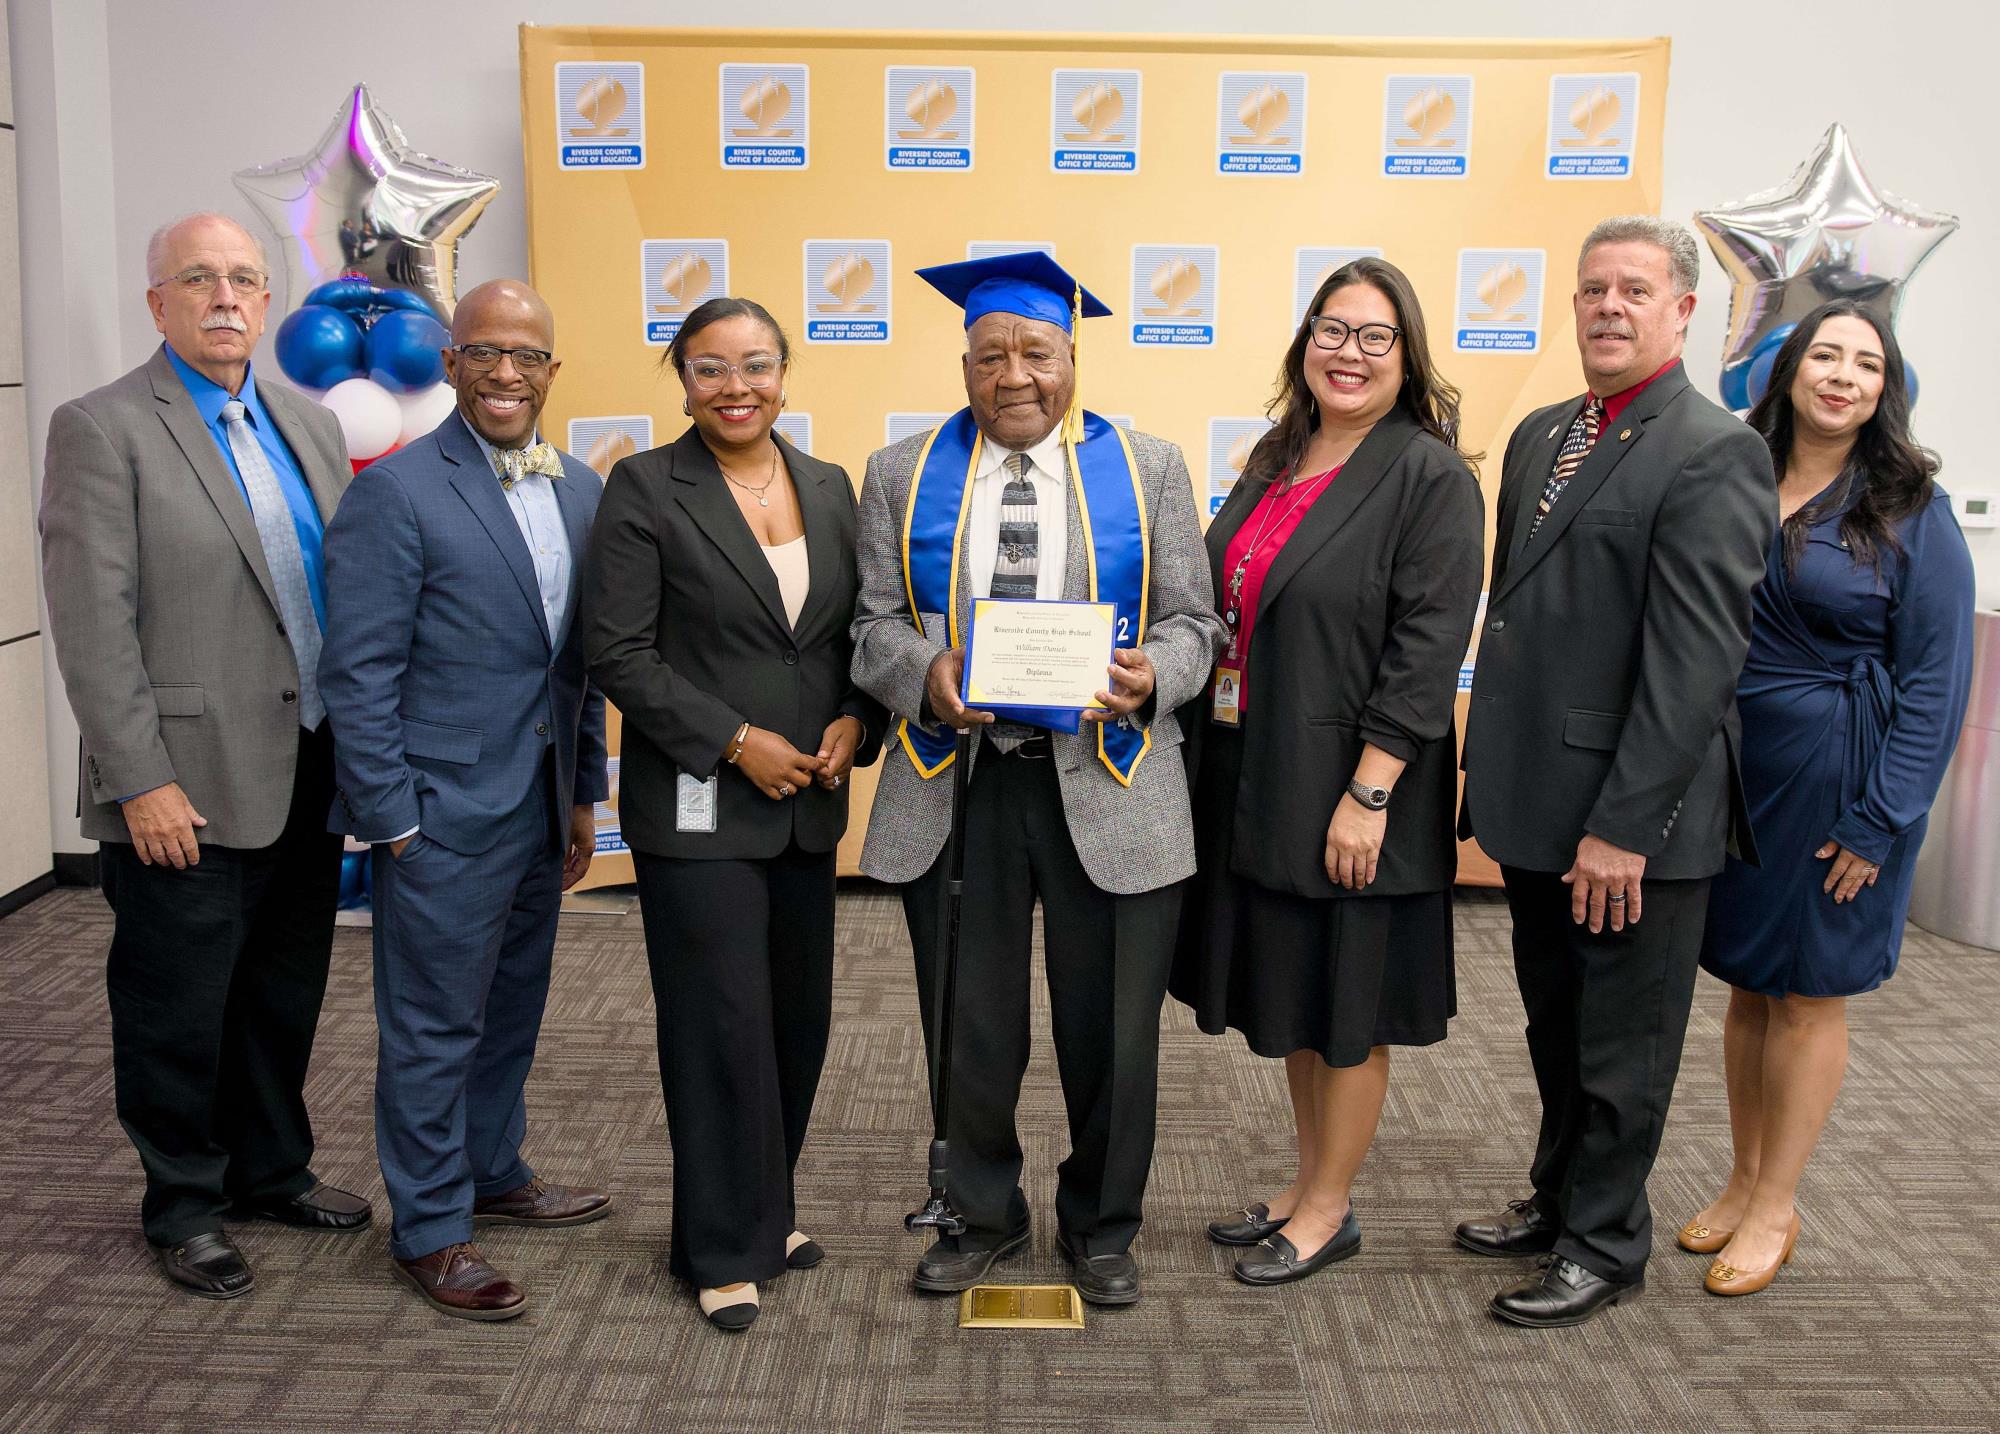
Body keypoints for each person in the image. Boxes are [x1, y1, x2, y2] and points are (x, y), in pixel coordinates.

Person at [851, 251, 1226, 1307]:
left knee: (1109, 1027)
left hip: (1108, 780)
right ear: (962, 362)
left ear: (1073, 355)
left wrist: (1154, 674)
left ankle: (1102, 1225)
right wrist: (920, 674)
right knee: (967, 1021)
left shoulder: (1146, 468)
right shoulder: (900, 473)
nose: (1013, 375)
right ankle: (979, 1214)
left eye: (1036, 352)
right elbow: (869, 622)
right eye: (989, 356)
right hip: (960, 783)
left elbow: (1195, 620)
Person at [38, 213, 370, 1299]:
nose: (226, 298)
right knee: (176, 1003)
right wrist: (139, 778)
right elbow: (92, 623)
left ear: (268, 301)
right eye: (200, 279)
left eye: (245, 280)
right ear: (159, 303)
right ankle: (182, 1201)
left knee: (281, 992)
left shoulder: (311, 424)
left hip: (307, 760)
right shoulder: (103, 428)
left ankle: (269, 1168)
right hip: (180, 778)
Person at [1455, 216, 1776, 1327]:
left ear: (1681, 312)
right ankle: (1556, 1200)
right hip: (1543, 806)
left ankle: (1604, 1245)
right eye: (1591, 288)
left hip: (1634, 824)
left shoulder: (1713, 449)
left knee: (1620, 1051)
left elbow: (1694, 669)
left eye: (1634, 290)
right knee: (1557, 1029)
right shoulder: (1547, 434)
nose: (1606, 307)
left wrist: (1623, 826)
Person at [1171, 258, 1484, 1285]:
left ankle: (1332, 1207)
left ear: (1407, 358)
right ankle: (1306, 1184)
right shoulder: (1279, 453)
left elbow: (1426, 647)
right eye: (1330, 331)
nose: (1347, 354)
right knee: (1300, 993)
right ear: (1303, 342)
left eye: (1373, 337)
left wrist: (1369, 792)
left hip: (1354, 784)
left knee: (1346, 1003)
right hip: (1259, 769)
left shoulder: (1426, 477)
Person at [582, 297, 882, 1331]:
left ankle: (769, 1212)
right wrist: (732, 740)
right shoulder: (642, 488)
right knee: (719, 1028)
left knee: (795, 1025)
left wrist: (855, 722)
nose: (735, 386)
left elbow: (850, 641)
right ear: (682, 381)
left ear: (785, 375)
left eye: (755, 365)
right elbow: (617, 653)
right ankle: (717, 1246)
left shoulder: (832, 488)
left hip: (808, 803)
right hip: (701, 806)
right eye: (710, 369)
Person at [319, 279, 611, 1322]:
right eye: (484, 350)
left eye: (526, 355)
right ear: (449, 363)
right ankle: (433, 1227)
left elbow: (570, 665)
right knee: (434, 1026)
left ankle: (494, 1167)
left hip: (538, 809)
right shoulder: (395, 492)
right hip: (435, 816)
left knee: (511, 1009)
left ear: (549, 372)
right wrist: (390, 814)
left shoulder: (579, 489)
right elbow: (356, 672)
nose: (505, 371)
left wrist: (584, 795)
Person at [1682, 301, 1974, 1297]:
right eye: (1823, 355)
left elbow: (1936, 683)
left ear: (1883, 386)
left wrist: (1881, 818)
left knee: (1807, 993)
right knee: (1746, 985)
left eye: (1863, 362)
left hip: (1841, 778)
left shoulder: (1910, 505)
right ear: (1787, 369)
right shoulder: (1738, 471)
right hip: (1738, 773)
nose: (1841, 375)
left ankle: (1776, 1204)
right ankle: (1740, 1179)